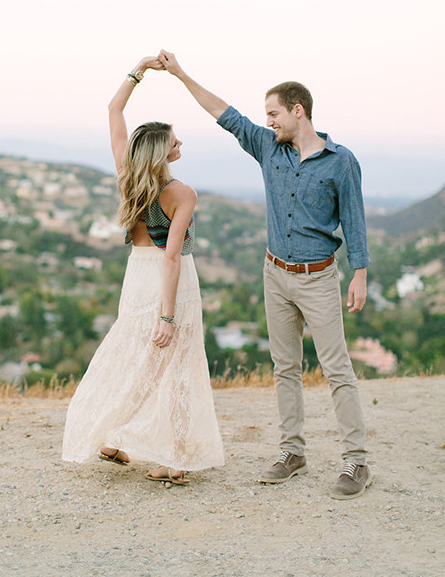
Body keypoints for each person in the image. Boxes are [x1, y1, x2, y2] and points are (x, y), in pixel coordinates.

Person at [158, 49, 372, 500]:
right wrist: (180, 74)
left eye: (274, 114)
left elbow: (354, 219)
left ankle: (356, 462)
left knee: (336, 369)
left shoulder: (341, 161)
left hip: (318, 277)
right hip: (274, 273)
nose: (268, 121)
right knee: (284, 369)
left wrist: (360, 273)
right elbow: (224, 113)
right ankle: (291, 452)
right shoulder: (267, 148)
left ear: (299, 111)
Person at [61, 56, 224, 484]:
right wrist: (168, 316)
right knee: (181, 365)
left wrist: (139, 71)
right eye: (174, 141)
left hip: (136, 277)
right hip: (171, 282)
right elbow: (171, 257)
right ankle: (177, 459)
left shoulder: (127, 178)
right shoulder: (181, 193)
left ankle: (110, 438)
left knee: (137, 361)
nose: (180, 145)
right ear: (161, 150)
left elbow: (114, 112)